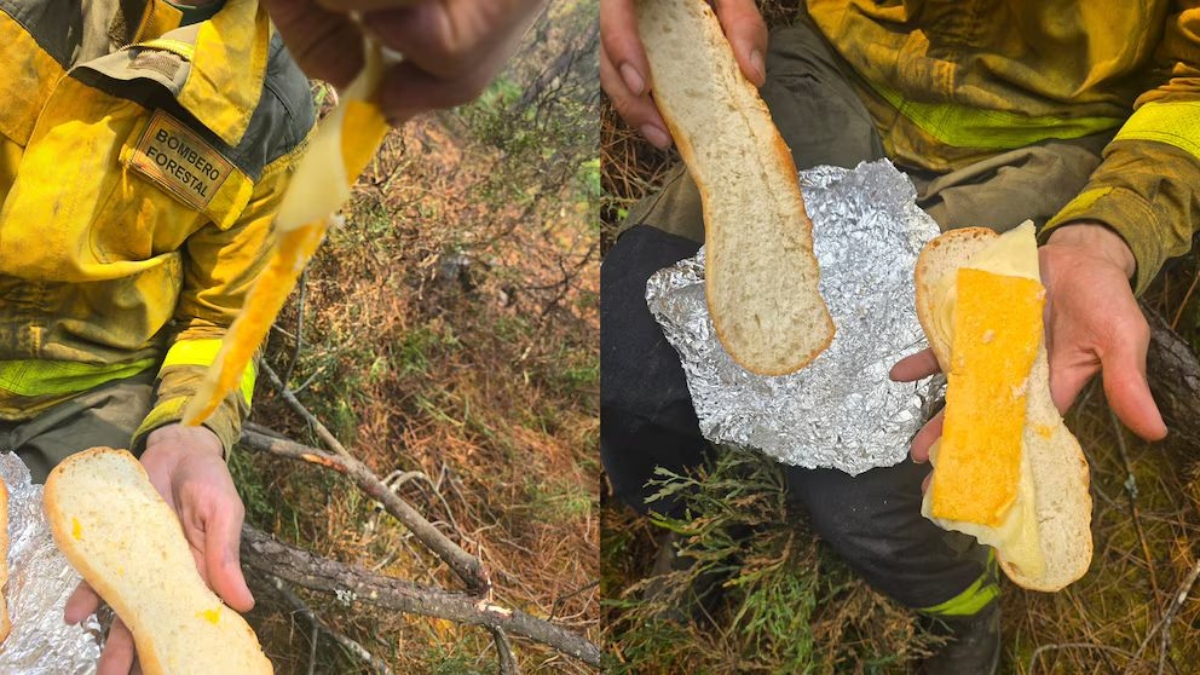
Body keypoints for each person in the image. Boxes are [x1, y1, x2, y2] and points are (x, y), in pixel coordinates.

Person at [601, 0, 1195, 672]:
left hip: (1045, 135)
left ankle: (962, 606)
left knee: (878, 487)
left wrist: (1111, 229)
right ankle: (704, 522)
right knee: (628, 367)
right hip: (835, 65)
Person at [0, 0, 542, 672]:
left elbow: (223, 317)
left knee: (107, 633)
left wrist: (190, 428)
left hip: (94, 391)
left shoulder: (272, 108)